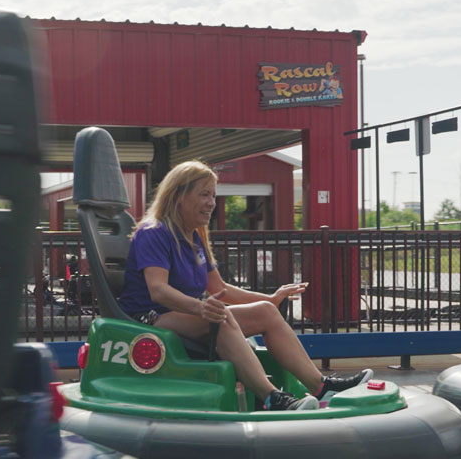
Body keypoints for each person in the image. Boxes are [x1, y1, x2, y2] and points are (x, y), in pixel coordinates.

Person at [117, 161, 370, 410]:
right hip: (150, 317)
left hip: (187, 313)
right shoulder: (153, 233)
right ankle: (271, 397)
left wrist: (270, 299)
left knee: (266, 312)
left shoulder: (193, 236)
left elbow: (219, 287)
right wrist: (200, 308)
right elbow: (158, 290)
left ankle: (320, 386)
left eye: (213, 196)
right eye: (204, 194)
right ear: (178, 195)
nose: (211, 203)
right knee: (221, 316)